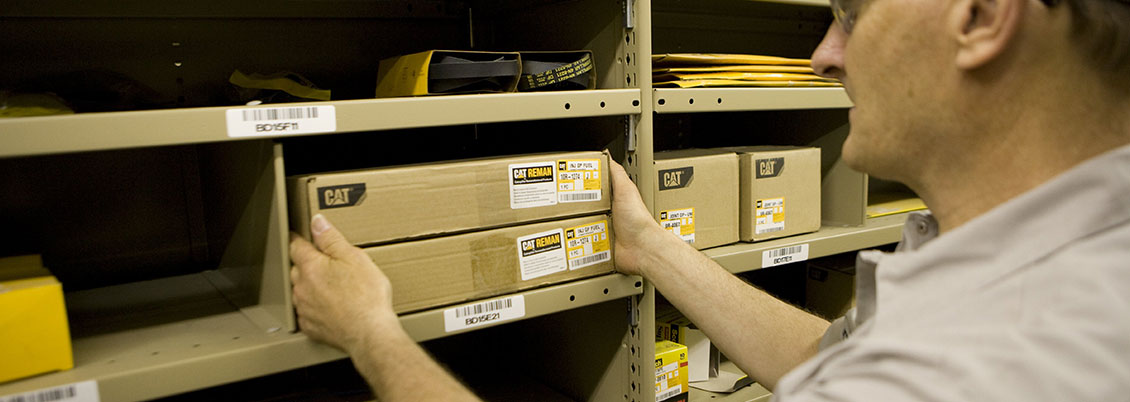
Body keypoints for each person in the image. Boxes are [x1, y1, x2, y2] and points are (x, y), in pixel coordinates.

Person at [288, 0, 1130, 399]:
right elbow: (834, 357)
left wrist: (372, 336)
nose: (823, 57)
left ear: (980, 17)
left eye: (851, 14)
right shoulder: (1065, 258)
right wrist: (652, 247)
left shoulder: (987, 365)